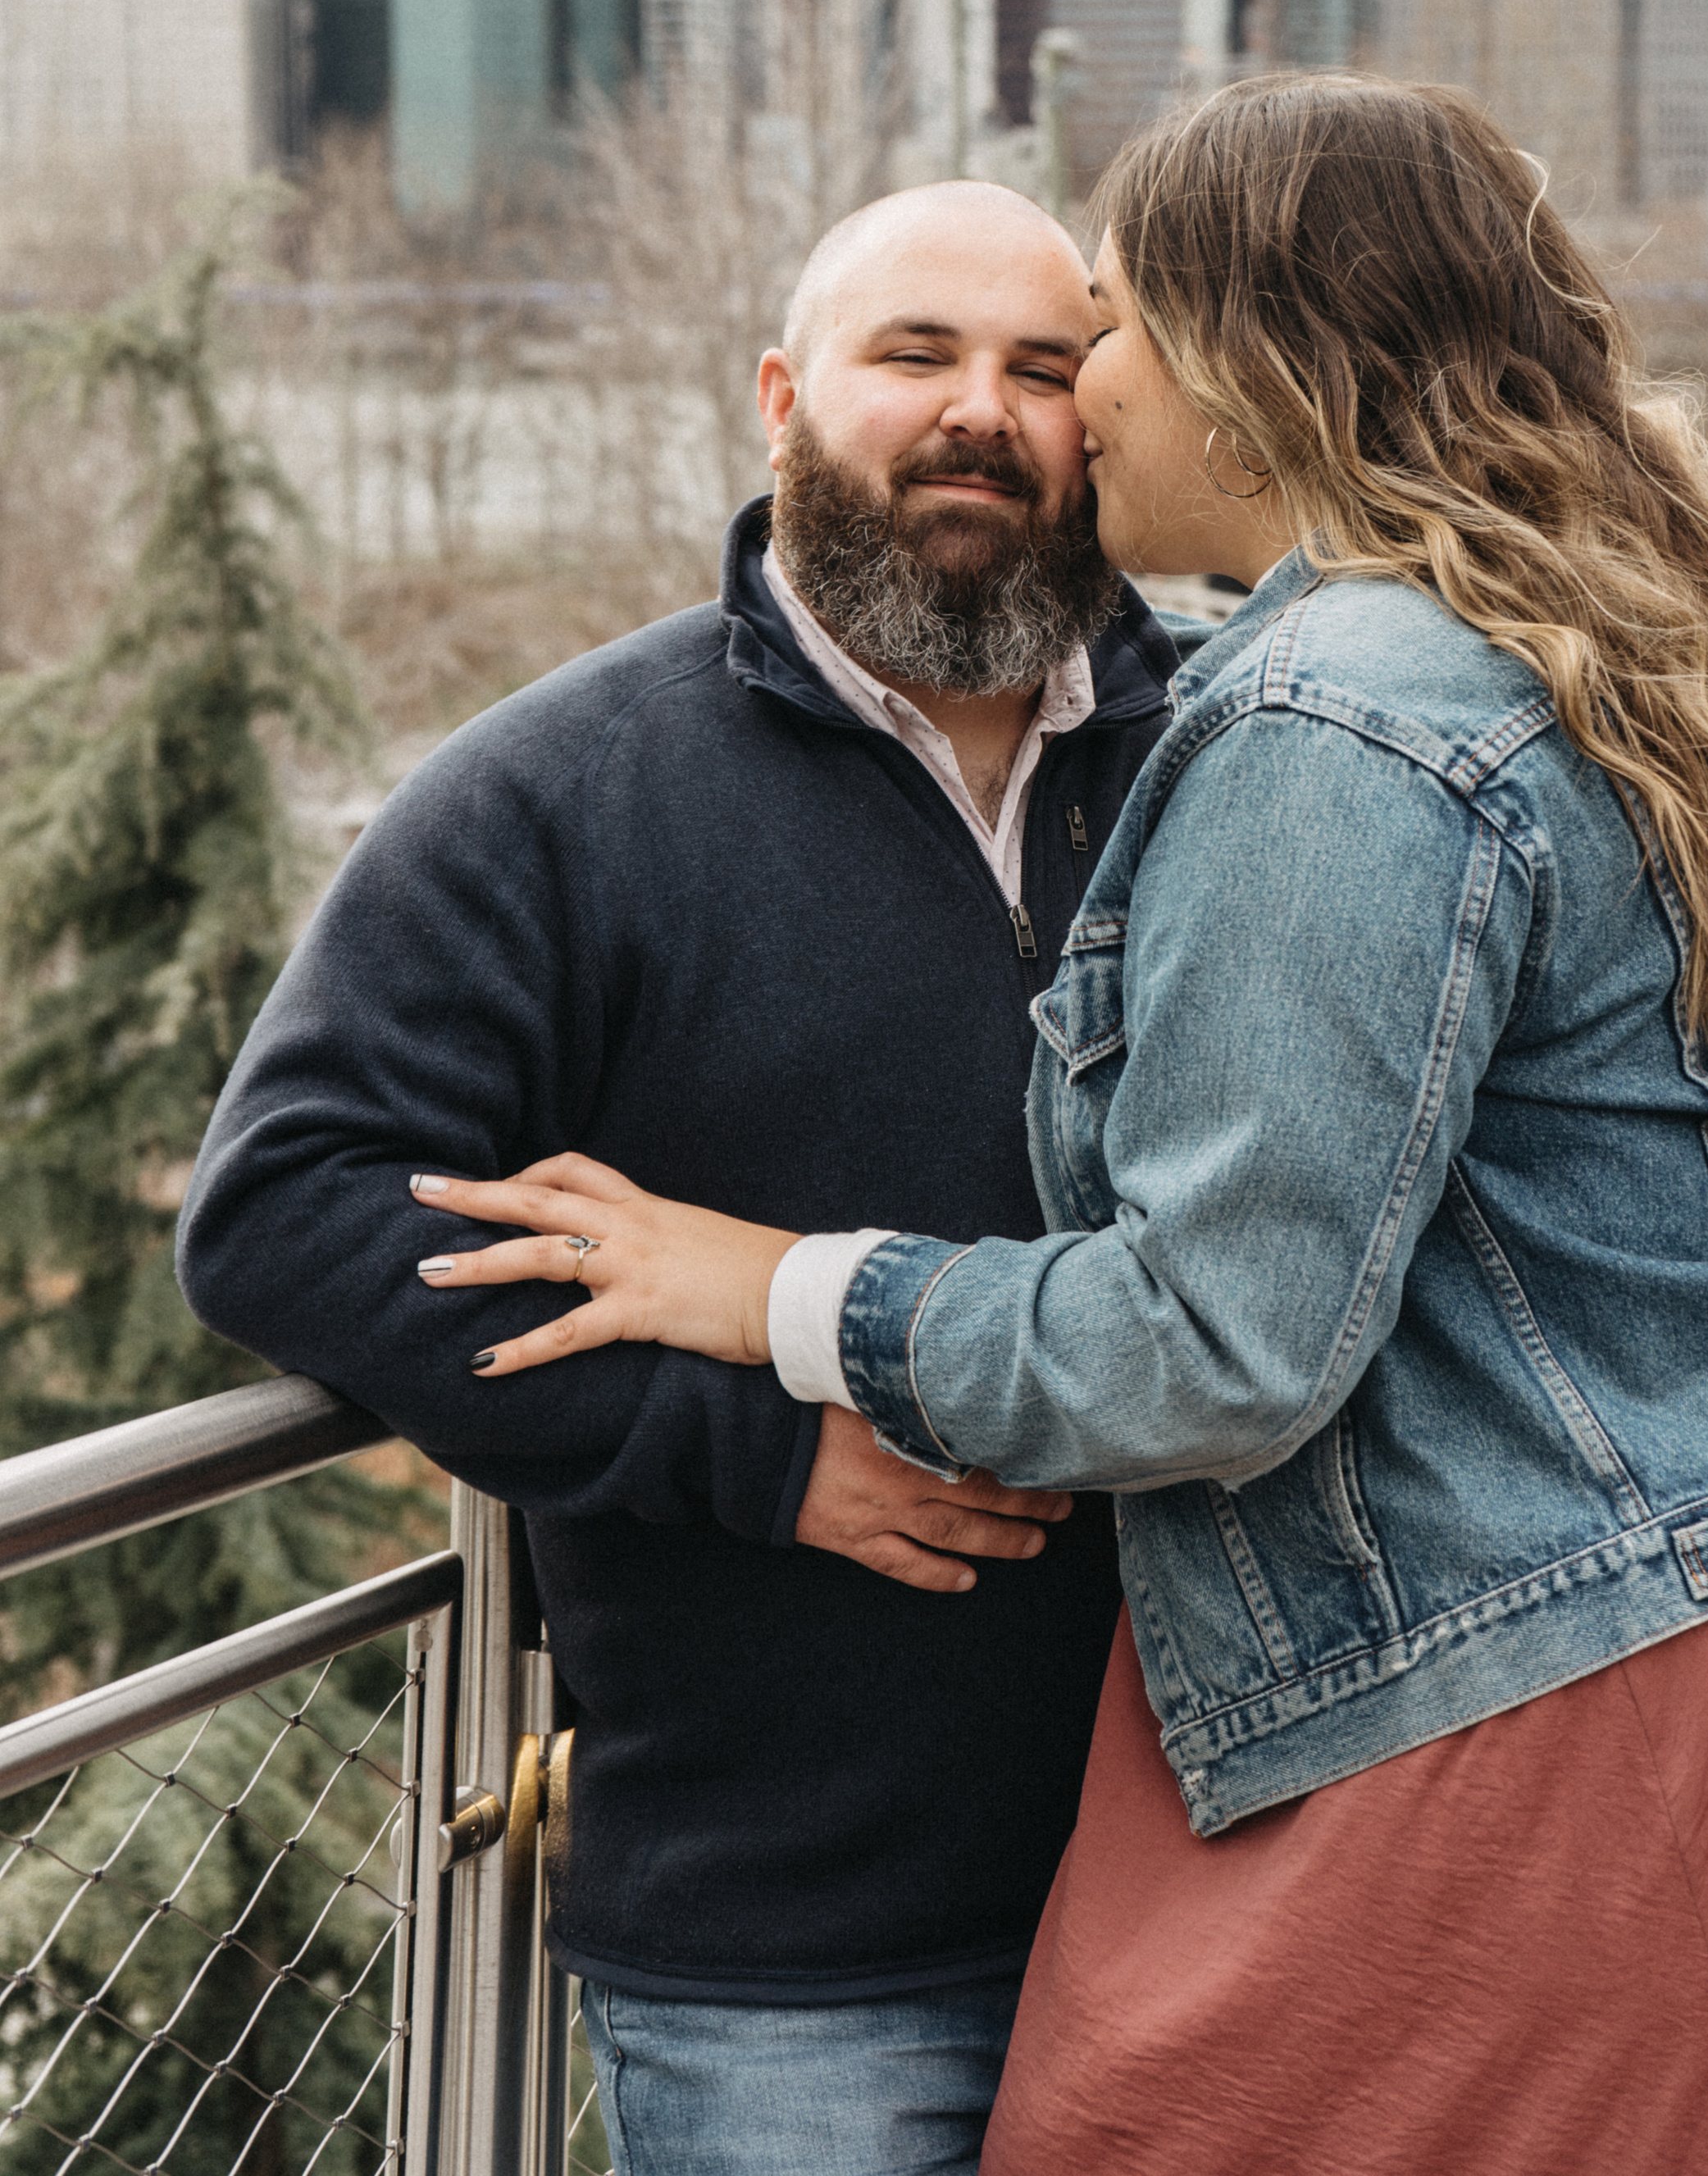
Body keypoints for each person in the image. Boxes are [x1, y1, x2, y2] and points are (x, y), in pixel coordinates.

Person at [416, 80, 1708, 2175]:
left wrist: (766, 1289)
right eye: (947, 355)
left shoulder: (1331, 721)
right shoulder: (1578, 624)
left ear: (1245, 354)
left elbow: (1215, 1346)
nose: (1060, 400)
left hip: (1611, 1633)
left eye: (1090, 333)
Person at [177, 184, 1183, 2176]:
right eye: (914, 356)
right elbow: (288, 1205)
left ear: (1106, 425)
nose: (979, 409)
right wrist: (751, 1448)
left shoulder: (1237, 749)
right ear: (784, 399)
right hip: (793, 1956)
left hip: (1220, 1879)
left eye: (1041, 367)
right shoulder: (562, 792)